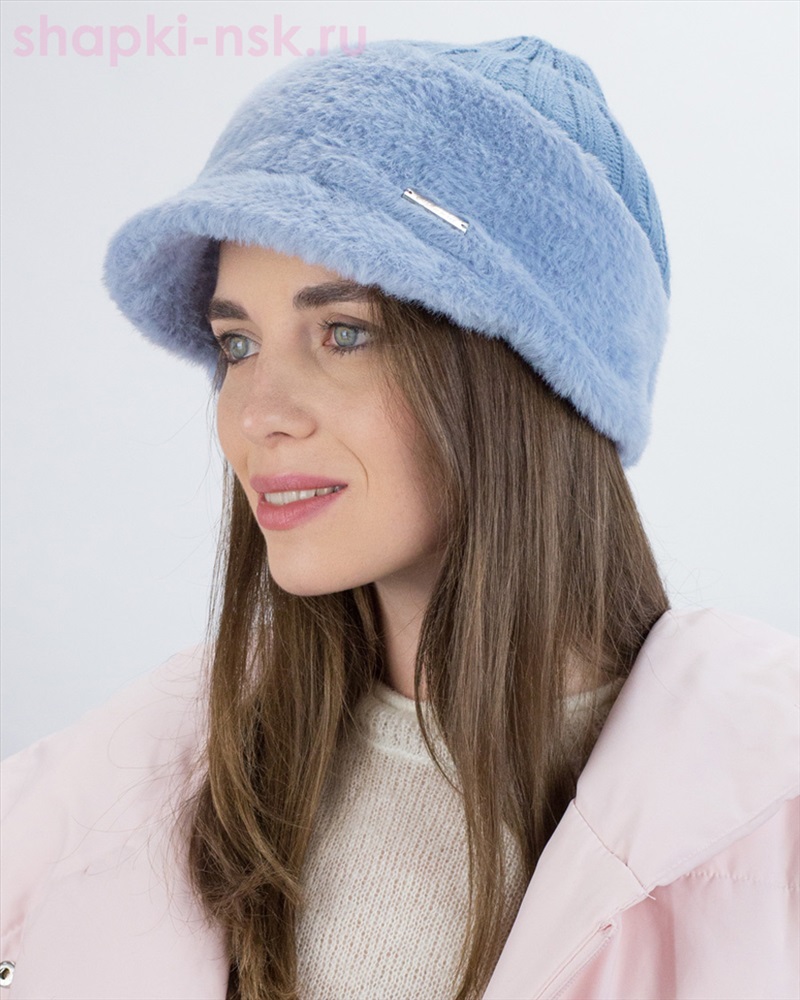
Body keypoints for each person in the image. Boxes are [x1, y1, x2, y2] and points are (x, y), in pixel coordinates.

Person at [1, 34, 797, 1000]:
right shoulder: (121, 783)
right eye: (238, 344)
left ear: (526, 374)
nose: (256, 415)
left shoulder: (769, 820)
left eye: (343, 333)